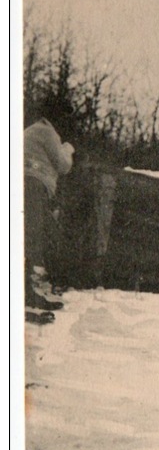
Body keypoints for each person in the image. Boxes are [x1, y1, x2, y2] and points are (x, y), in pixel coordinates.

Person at [24, 118, 75, 325]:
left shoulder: (30, 130)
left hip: (22, 181)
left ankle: (25, 291)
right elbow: (63, 166)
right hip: (33, 184)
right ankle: (25, 294)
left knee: (26, 238)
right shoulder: (48, 132)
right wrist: (67, 149)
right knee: (31, 238)